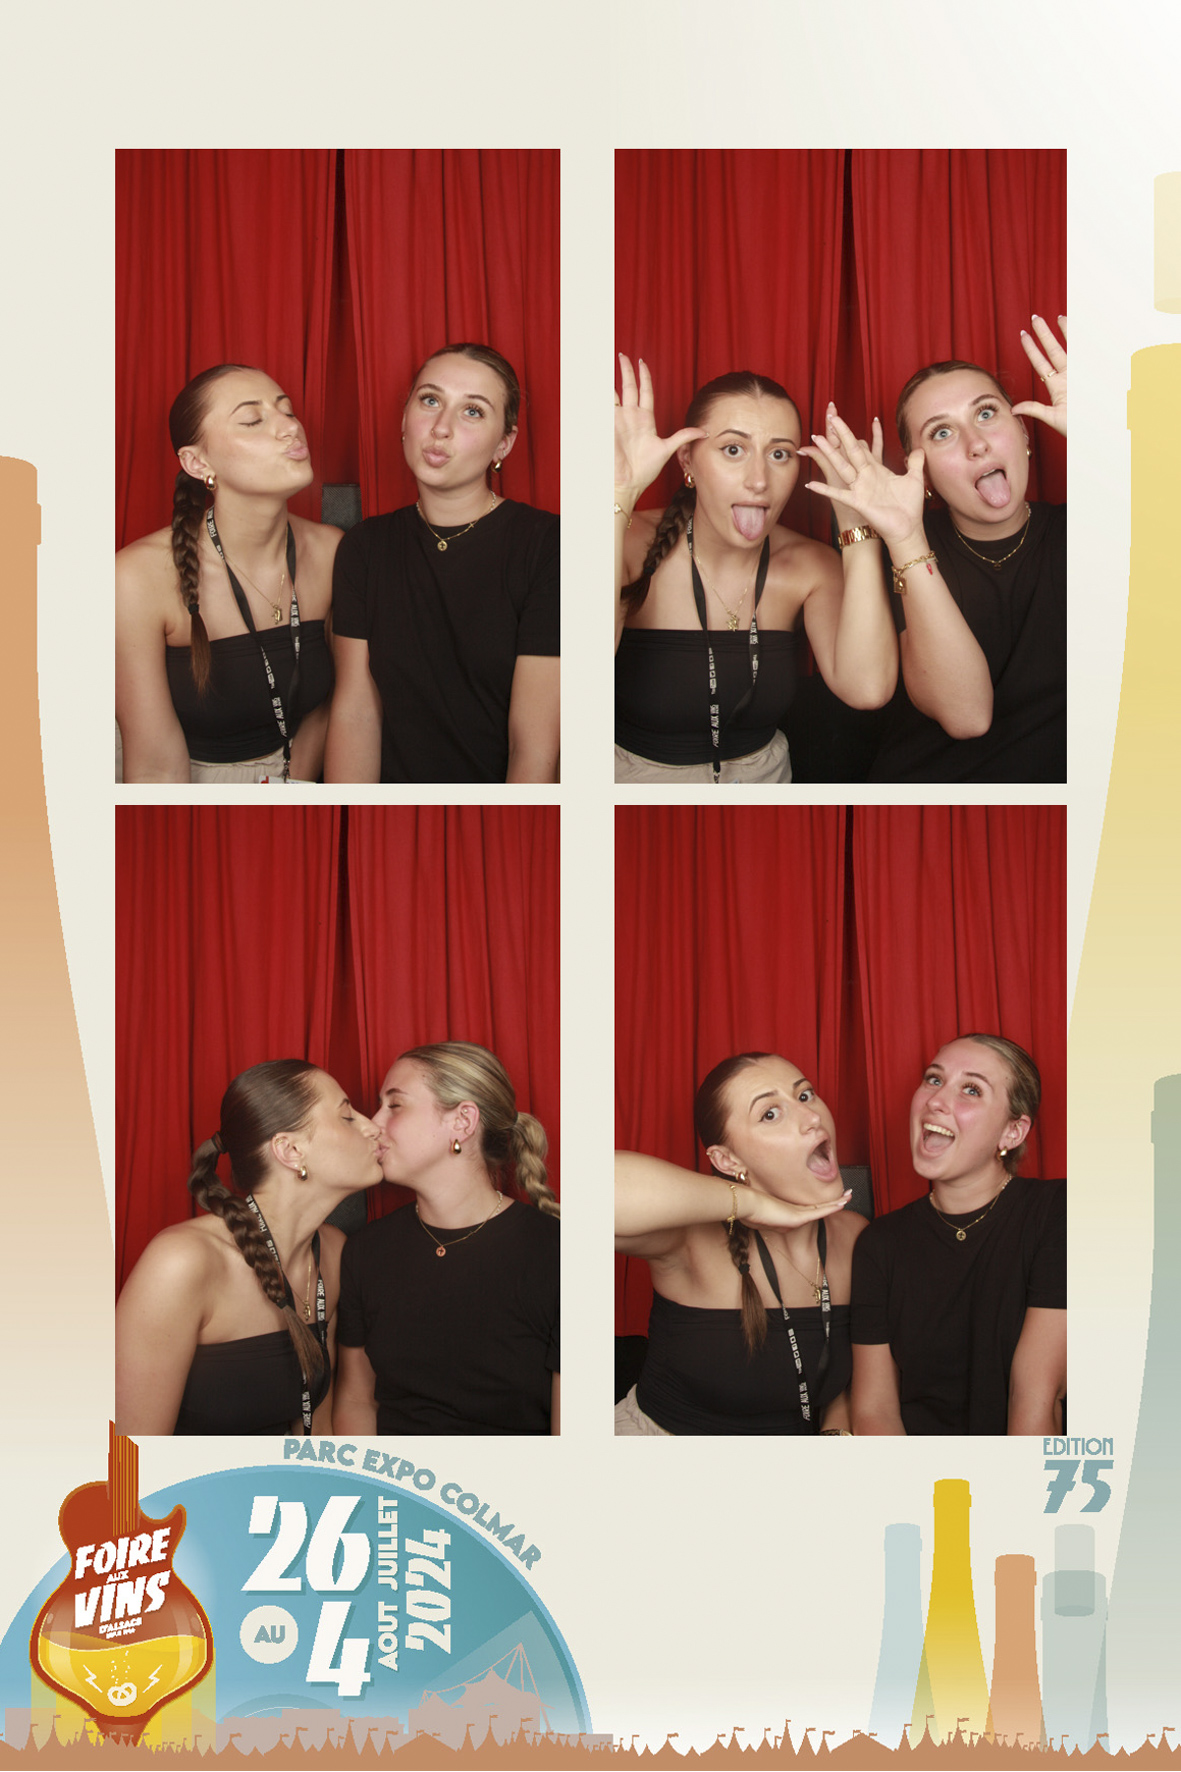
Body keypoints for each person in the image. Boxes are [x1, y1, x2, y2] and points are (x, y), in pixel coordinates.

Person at [614, 355, 898, 782]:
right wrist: (619, 496)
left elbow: (868, 689)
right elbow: (576, 678)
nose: (759, 479)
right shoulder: (626, 542)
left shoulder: (810, 565)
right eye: (733, 450)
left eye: (779, 454)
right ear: (687, 460)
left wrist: (856, 528)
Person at [814, 315, 1065, 783]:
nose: (976, 444)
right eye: (941, 433)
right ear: (921, 472)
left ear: (1024, 433)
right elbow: (967, 716)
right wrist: (905, 538)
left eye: (986, 413)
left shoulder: (1092, 530)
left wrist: (1114, 449)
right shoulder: (899, 548)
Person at [325, 344, 559, 784]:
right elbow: (356, 713)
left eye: (472, 411)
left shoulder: (548, 545)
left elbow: (534, 747)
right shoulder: (364, 546)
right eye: (430, 400)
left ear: (503, 443)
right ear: (404, 419)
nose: (441, 428)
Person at [115, 1061, 383, 1436]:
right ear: (290, 1150)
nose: (374, 1127)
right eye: (348, 1117)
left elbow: (316, 1429)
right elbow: (130, 1459)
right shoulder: (181, 1263)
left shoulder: (334, 1253)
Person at [615, 1052, 863, 1434]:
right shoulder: (690, 1238)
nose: (811, 1117)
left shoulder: (855, 1237)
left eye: (804, 1095)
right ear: (728, 1160)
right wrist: (753, 1204)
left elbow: (841, 1370)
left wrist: (835, 1432)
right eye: (770, 1113)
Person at [116, 365, 339, 782]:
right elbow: (155, 767)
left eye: (288, 410)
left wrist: (294, 786)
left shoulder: (333, 552)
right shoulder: (135, 578)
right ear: (197, 462)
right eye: (253, 420)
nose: (291, 428)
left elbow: (335, 702)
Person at [333, 1043, 560, 1434]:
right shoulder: (365, 1251)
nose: (374, 1122)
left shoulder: (556, 1253)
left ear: (463, 1121)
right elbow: (356, 1400)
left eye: (395, 1105)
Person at [850, 1034, 1066, 1436]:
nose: (935, 1100)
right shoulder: (879, 1243)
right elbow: (873, 1410)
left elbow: (1035, 1398)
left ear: (1012, 1132)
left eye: (971, 1089)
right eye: (934, 1079)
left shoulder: (1057, 1211)